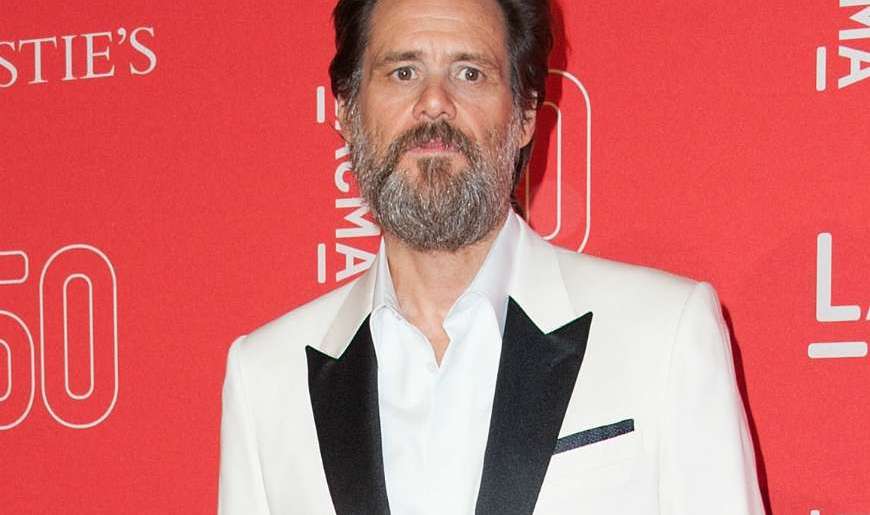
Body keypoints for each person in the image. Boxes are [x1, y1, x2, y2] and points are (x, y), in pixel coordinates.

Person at [218, 0, 765, 513]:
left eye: (469, 73)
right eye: (403, 72)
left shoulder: (665, 334)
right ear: (345, 109)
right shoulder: (265, 377)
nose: (434, 101)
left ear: (525, 113)